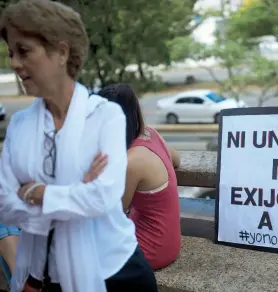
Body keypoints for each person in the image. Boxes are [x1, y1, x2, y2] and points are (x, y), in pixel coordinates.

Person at [0, 1, 157, 291]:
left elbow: (104, 198)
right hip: (48, 276)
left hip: (119, 271)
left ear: (61, 52)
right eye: (11, 53)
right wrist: (77, 189)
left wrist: (37, 191)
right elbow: (6, 207)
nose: (14, 64)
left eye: (23, 51)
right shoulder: (20, 126)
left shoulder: (105, 116)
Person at [98, 84, 182, 270]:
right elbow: (176, 160)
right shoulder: (151, 134)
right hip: (168, 238)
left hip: (150, 248)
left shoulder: (130, 161)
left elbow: (112, 215)